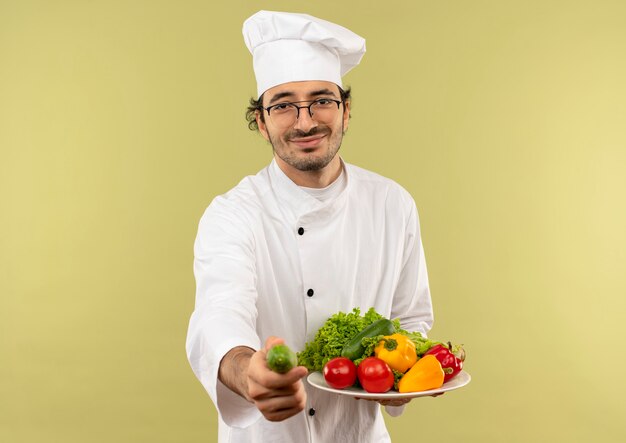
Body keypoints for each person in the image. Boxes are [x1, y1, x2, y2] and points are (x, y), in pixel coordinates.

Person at [186, 10, 434, 443]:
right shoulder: (233, 213)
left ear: (346, 110)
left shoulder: (392, 204)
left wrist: (401, 380)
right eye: (283, 105)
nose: (305, 121)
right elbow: (218, 315)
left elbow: (411, 319)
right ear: (261, 122)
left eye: (322, 99)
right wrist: (249, 373)